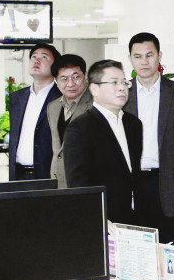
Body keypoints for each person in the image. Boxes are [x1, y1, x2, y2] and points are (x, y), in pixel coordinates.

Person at [125, 32, 174, 243]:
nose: (144, 61)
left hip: (170, 183)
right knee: (135, 248)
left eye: (149, 55)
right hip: (133, 185)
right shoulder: (121, 94)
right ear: (130, 59)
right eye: (138, 56)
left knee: (172, 248)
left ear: (159, 56)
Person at [64, 60, 142, 225]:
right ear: (94, 89)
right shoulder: (80, 127)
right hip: (103, 219)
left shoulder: (134, 124)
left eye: (124, 82)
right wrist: (97, 218)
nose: (121, 88)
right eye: (114, 82)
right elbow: (78, 183)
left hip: (135, 217)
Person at [8, 43, 62, 181]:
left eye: (44, 57)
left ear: (55, 67)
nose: (36, 60)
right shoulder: (17, 98)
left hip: (48, 177)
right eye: (33, 57)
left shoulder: (62, 98)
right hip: (17, 176)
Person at [46, 54, 93, 188]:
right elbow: (57, 149)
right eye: (64, 79)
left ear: (85, 75)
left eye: (76, 77)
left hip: (88, 182)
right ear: (56, 81)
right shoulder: (52, 107)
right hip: (58, 182)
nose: (71, 83)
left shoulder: (97, 105)